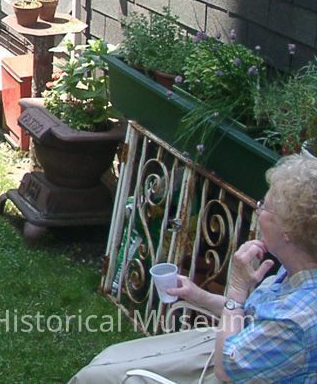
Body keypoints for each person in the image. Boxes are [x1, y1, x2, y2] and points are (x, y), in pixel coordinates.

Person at [70, 153, 317, 382]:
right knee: (108, 360)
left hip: (230, 366)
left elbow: (227, 368)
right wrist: (199, 296)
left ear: (288, 231)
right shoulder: (296, 270)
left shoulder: (297, 319)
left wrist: (236, 289)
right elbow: (253, 317)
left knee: (96, 378)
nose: (258, 208)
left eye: (265, 206)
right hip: (238, 345)